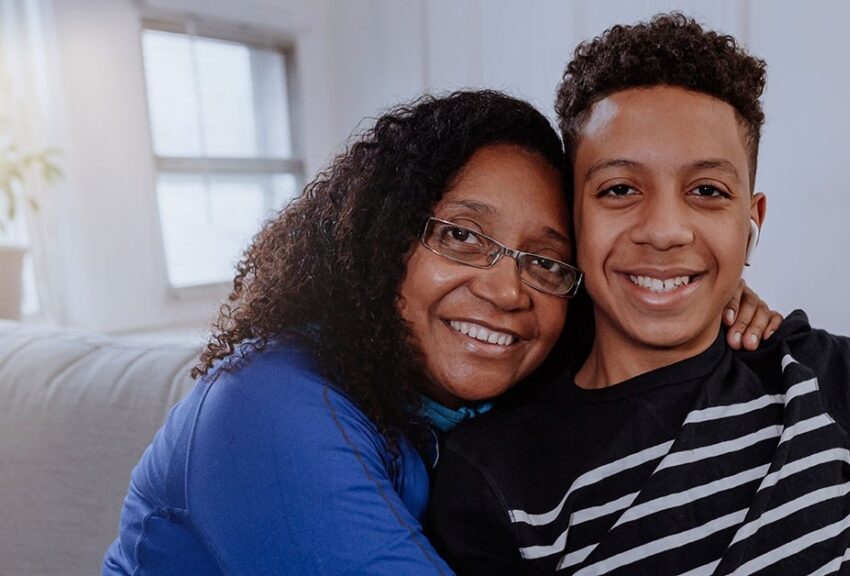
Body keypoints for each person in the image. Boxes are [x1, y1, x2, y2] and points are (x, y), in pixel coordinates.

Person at [427, 14, 850, 576]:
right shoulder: (493, 474)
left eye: (708, 192)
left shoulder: (801, 367)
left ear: (752, 225)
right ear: (572, 223)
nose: (664, 230)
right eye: (620, 189)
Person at [101, 91, 779, 575]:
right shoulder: (263, 405)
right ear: (380, 237)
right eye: (460, 236)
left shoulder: (482, 409)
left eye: (546, 262)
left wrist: (694, 301)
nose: (508, 290)